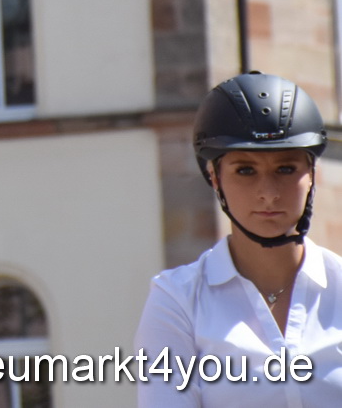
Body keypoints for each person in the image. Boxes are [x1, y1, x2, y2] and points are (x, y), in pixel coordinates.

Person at [134, 71, 342, 404]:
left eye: (286, 169)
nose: (268, 193)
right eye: (245, 170)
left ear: (311, 175)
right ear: (215, 178)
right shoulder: (177, 302)